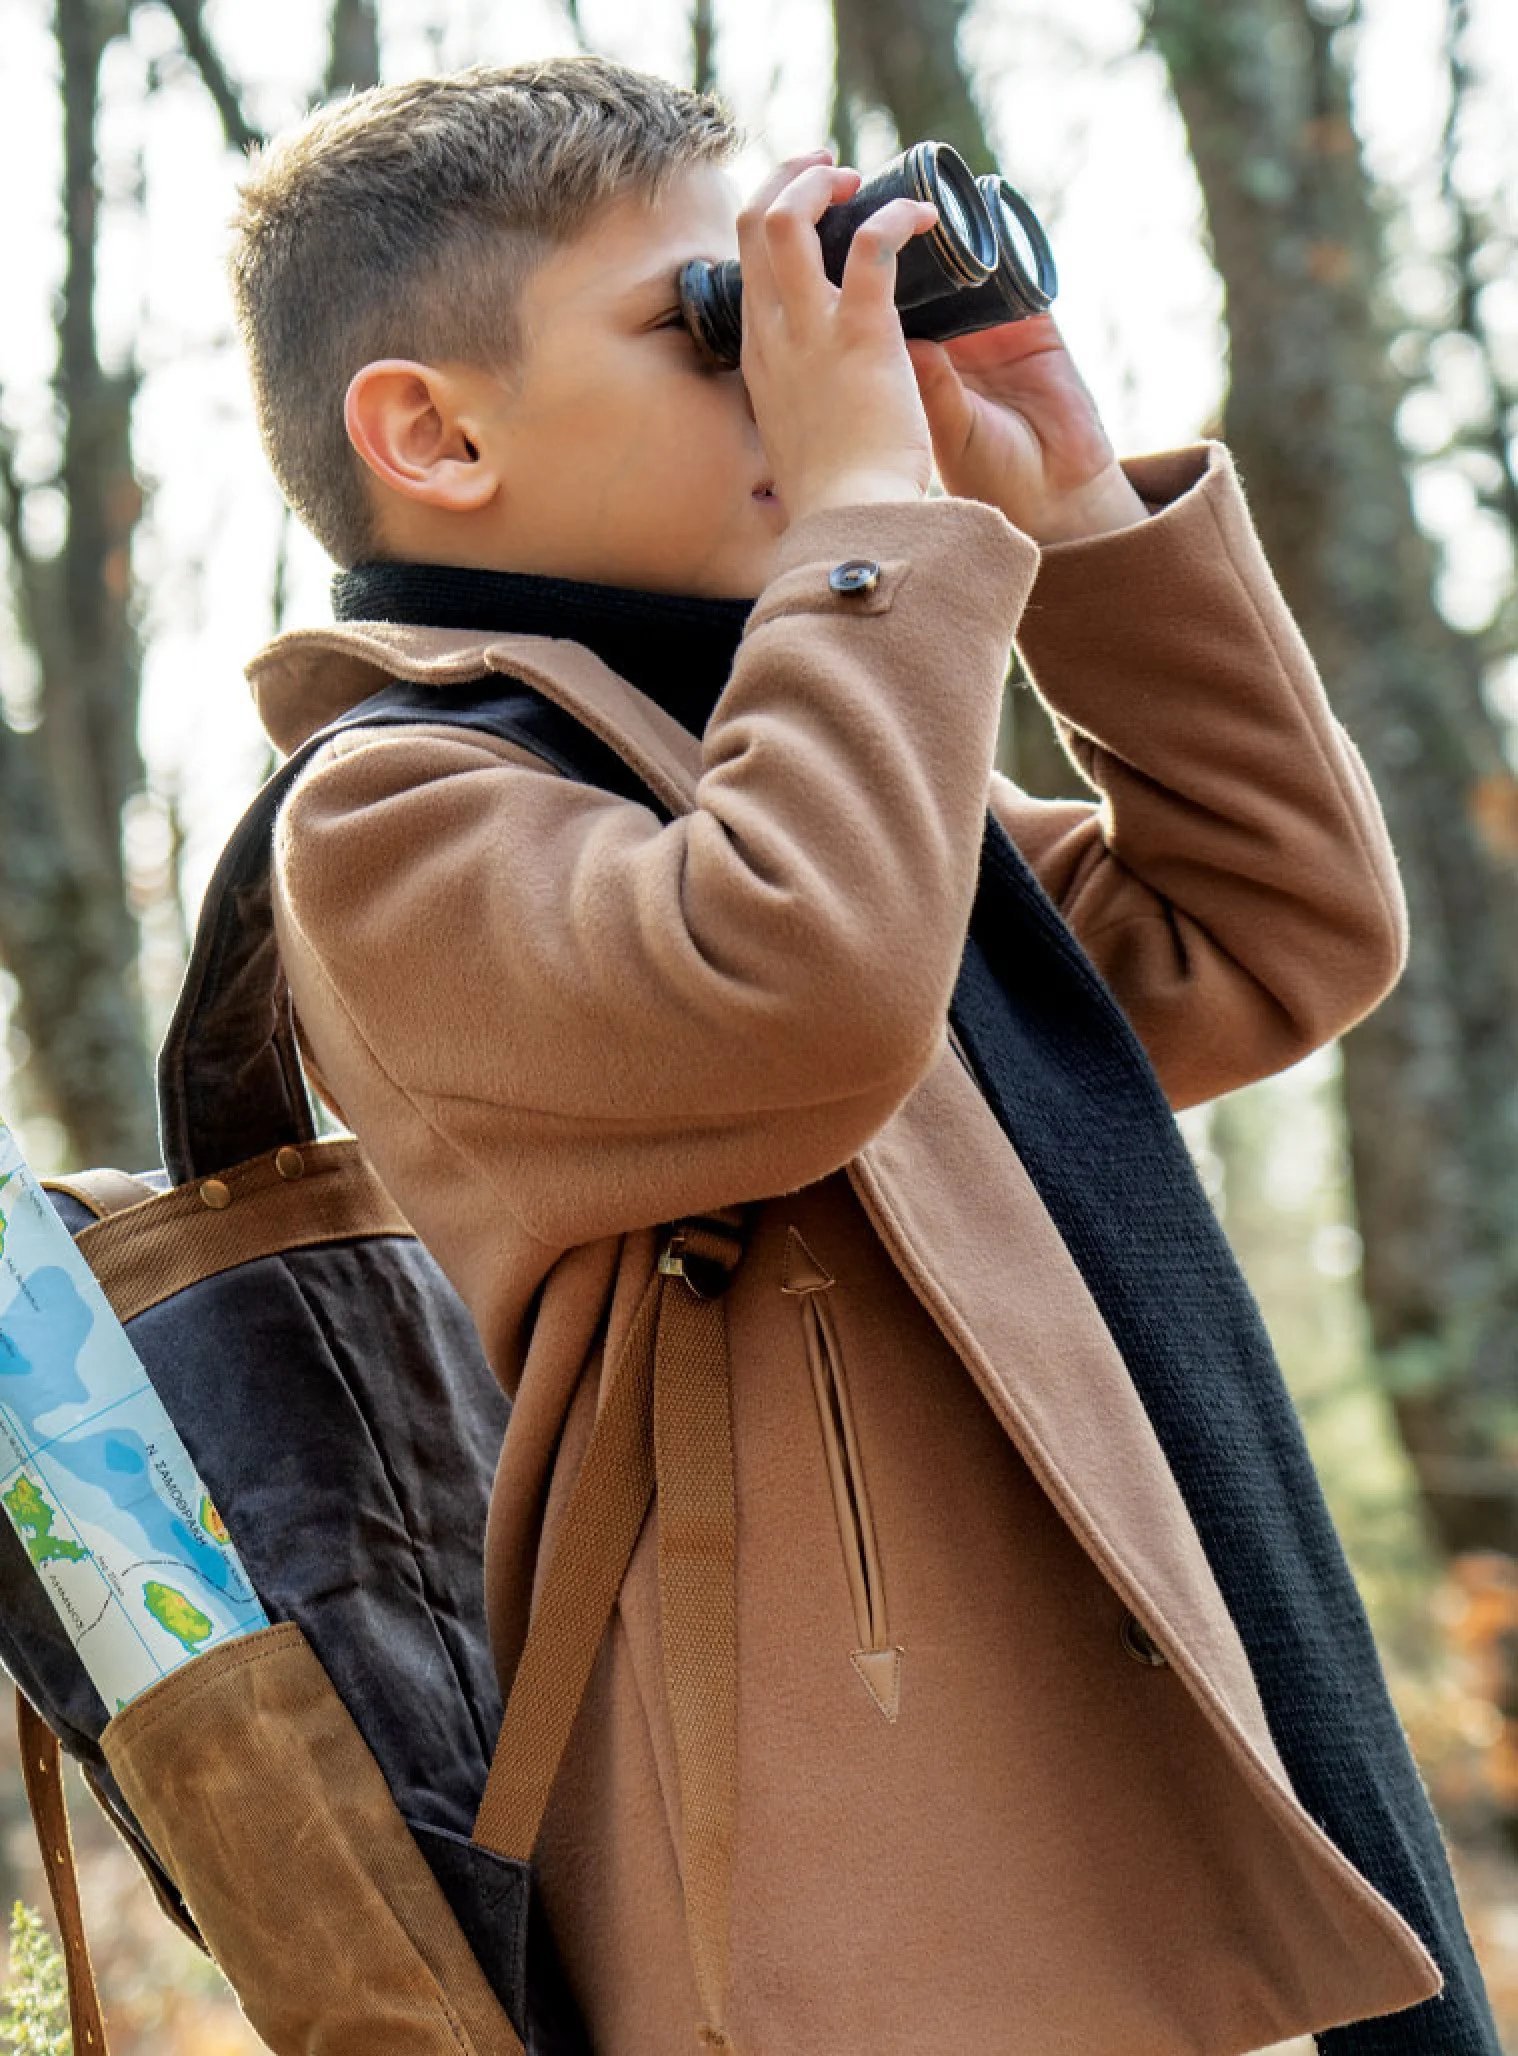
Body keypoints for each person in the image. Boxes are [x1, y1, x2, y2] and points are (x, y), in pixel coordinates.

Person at [229, 53, 1499, 2056]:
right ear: (435, 434)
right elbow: (796, 989)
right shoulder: (397, 814)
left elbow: (1268, 927)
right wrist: (868, 531)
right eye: (718, 321)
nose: (810, 370)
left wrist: (1069, 505)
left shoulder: (810, 765)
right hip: (859, 1898)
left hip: (1130, 1793)